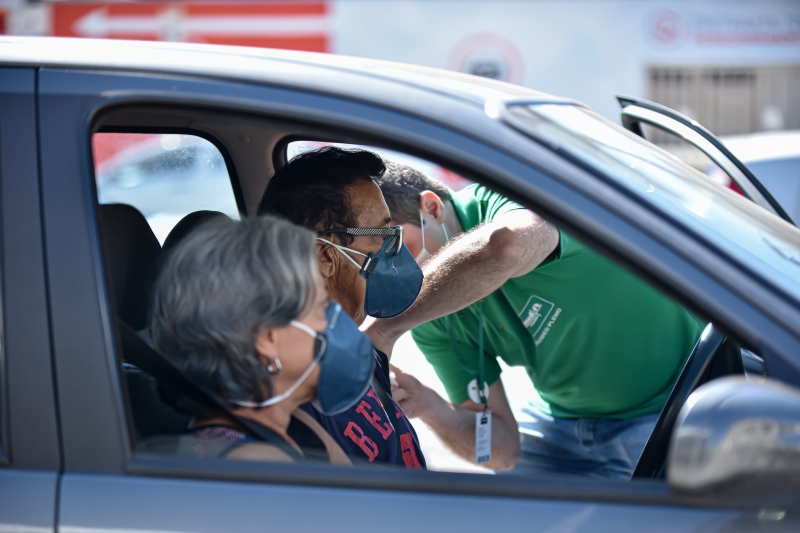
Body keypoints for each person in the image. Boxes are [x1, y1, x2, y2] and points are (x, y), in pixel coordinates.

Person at [364, 162, 704, 478]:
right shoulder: (428, 316)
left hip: (665, 409)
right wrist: (429, 405)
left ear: (432, 208)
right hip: (558, 421)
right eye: (372, 262)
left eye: (394, 247)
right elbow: (502, 452)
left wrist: (385, 327)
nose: (391, 273)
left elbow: (507, 246)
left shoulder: (504, 200)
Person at [149, 214, 374, 463]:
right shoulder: (254, 462)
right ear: (268, 338)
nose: (334, 317)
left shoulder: (295, 426)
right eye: (321, 306)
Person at [258, 147, 426, 469]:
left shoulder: (356, 352)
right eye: (381, 235)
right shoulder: (289, 392)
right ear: (325, 256)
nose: (392, 249)